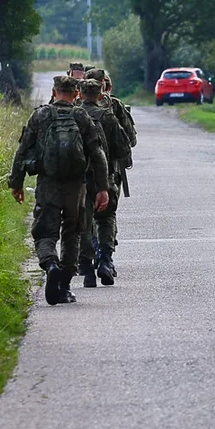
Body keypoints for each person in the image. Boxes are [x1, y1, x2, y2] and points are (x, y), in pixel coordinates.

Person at [9, 75, 110, 305]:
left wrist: (16, 183)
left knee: (45, 232)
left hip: (48, 184)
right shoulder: (81, 116)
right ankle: (63, 286)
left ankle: (50, 264)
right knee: (72, 233)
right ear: (76, 94)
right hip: (76, 187)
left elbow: (23, 151)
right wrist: (102, 188)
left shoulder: (41, 115)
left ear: (54, 93)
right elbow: (97, 154)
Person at [77, 79, 130, 288]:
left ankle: (87, 270)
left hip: (78, 180)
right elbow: (124, 148)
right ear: (100, 95)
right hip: (105, 176)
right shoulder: (107, 116)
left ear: (80, 94)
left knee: (83, 222)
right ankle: (106, 261)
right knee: (106, 218)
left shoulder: (75, 115)